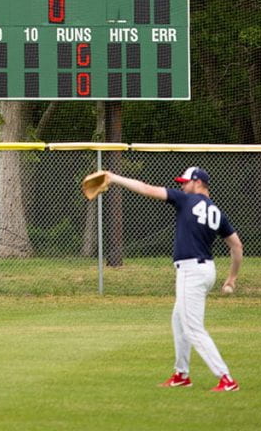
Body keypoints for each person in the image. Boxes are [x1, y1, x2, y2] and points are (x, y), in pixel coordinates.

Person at [106, 164, 243, 392]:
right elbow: (237, 246)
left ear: (197, 182)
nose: (182, 186)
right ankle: (182, 374)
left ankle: (226, 379)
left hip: (191, 270)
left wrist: (114, 178)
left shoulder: (186, 200)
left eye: (185, 182)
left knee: (192, 328)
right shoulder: (217, 212)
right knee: (179, 321)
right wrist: (231, 278)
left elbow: (146, 189)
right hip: (205, 269)